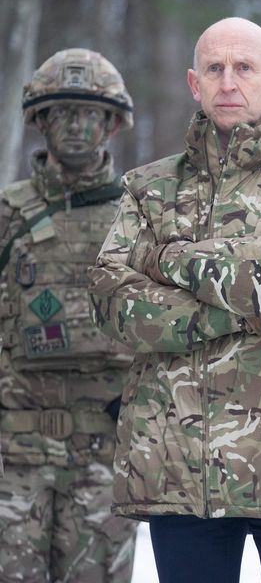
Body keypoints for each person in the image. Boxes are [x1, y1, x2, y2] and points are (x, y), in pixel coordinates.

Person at [87, 17, 261, 583]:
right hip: (181, 471)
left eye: (245, 68)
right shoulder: (148, 189)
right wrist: (244, 305)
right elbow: (113, 305)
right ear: (194, 83)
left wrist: (169, 261)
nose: (228, 82)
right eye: (214, 68)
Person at [0, 48, 137, 582]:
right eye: (61, 113)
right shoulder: (9, 214)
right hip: (15, 455)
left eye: (88, 113)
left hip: (102, 453)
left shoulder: (139, 214)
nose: (75, 126)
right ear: (40, 121)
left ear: (111, 123)